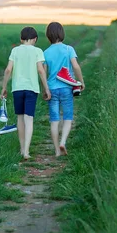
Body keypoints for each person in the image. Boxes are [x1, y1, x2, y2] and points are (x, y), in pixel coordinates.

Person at [1, 26, 51, 160]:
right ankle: (27, 152)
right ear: (35, 39)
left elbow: (8, 70)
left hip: (17, 88)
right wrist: (46, 88)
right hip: (31, 89)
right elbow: (41, 71)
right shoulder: (37, 51)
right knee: (29, 119)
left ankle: (22, 148)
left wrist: (4, 87)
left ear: (21, 39)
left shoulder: (15, 51)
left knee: (20, 118)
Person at [43, 22, 85, 156]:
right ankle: (63, 142)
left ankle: (56, 150)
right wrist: (81, 82)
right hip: (67, 88)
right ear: (62, 33)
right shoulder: (69, 49)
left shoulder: (45, 52)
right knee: (68, 117)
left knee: (54, 120)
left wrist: (45, 89)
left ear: (48, 35)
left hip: (52, 88)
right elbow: (76, 66)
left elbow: (43, 72)